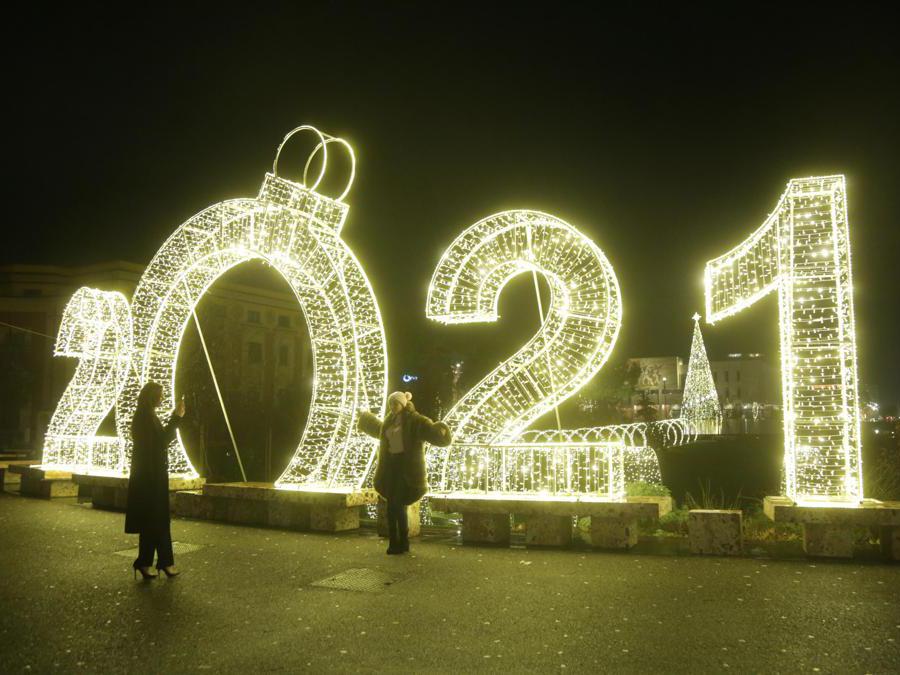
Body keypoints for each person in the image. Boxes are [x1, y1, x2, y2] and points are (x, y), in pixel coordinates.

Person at [358, 391, 452, 554]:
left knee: (397, 506)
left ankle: (400, 542)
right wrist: (366, 420)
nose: (393, 407)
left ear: (403, 404)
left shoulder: (415, 420)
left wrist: (440, 431)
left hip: (406, 468)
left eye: (395, 404)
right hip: (390, 468)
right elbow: (379, 430)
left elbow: (429, 430)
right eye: (391, 404)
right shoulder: (389, 421)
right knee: (392, 507)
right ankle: (397, 541)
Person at [125, 382, 185, 579]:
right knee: (155, 519)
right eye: (159, 395)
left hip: (153, 474)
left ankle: (151, 562)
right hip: (149, 476)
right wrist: (176, 418)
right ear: (151, 396)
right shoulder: (144, 418)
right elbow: (160, 442)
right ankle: (158, 563)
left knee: (155, 519)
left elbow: (159, 441)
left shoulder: (148, 416)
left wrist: (175, 418)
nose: (161, 398)